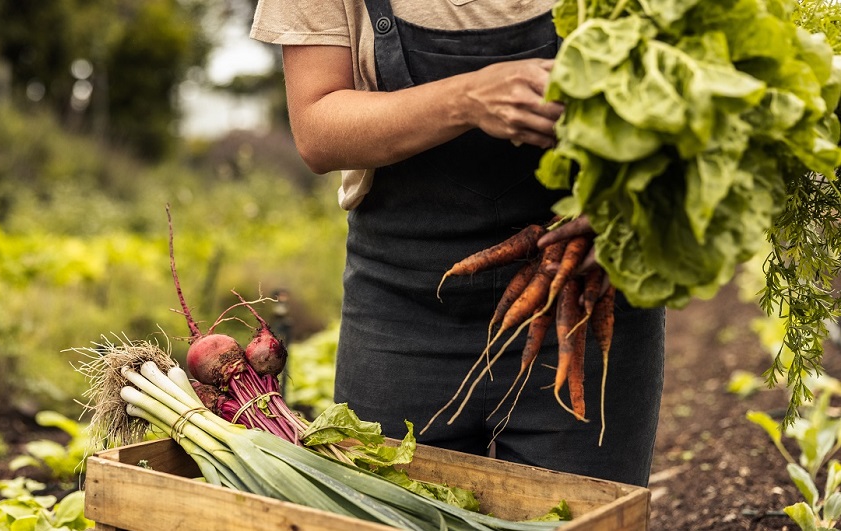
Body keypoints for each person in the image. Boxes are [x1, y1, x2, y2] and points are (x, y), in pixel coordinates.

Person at [250, 0, 665, 488]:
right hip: (401, 312)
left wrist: (636, 190)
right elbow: (317, 129)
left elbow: (698, 85)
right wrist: (467, 99)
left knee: (581, 516)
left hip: (582, 302)